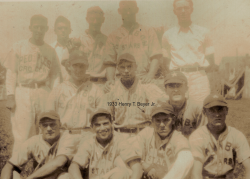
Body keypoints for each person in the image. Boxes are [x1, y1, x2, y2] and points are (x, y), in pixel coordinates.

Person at [3, 14, 61, 179]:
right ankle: (15, 173)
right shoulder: (19, 46)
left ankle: (43, 171)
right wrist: (10, 95)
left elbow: (56, 75)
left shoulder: (50, 50)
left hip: (43, 91)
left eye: (42, 27)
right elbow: (11, 72)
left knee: (46, 130)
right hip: (24, 91)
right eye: (36, 27)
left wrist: (54, 95)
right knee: (23, 134)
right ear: (30, 28)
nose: (39, 30)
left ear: (46, 29)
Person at [162, 0, 216, 104]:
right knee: (178, 109)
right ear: (174, 11)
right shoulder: (168, 35)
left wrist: (200, 74)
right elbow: (165, 61)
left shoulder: (204, 32)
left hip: (199, 77)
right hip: (177, 77)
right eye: (179, 8)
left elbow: (211, 62)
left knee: (201, 109)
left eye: (186, 8)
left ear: (191, 10)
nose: (183, 11)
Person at [103, 0, 162, 92]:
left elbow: (156, 56)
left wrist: (150, 75)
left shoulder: (148, 31)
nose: (128, 12)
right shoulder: (113, 35)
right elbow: (110, 62)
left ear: (136, 10)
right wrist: (110, 80)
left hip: (143, 78)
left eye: (131, 9)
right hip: (122, 80)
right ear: (119, 11)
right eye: (125, 9)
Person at [106, 53, 169, 139]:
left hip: (143, 134)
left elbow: (167, 100)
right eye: (122, 67)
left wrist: (153, 103)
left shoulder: (145, 85)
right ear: (117, 69)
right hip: (120, 134)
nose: (126, 71)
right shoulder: (112, 89)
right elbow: (106, 115)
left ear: (136, 67)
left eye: (129, 66)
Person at [68, 108, 143, 179]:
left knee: (123, 171)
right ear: (92, 127)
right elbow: (73, 166)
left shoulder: (119, 140)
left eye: (105, 123)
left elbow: (137, 166)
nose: (102, 128)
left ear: (112, 124)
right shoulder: (89, 142)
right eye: (98, 125)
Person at [189, 93, 250, 179]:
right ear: (204, 112)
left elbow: (249, 168)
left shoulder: (236, 135)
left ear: (226, 111)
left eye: (220, 109)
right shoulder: (197, 136)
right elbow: (196, 173)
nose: (217, 114)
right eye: (211, 110)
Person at [129, 104, 194, 179]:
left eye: (166, 120)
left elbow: (186, 158)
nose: (162, 125)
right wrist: (147, 167)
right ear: (152, 121)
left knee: (187, 157)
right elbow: (131, 154)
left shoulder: (178, 138)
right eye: (158, 121)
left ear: (173, 120)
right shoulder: (147, 133)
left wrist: (164, 172)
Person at [47, 49, 105, 132]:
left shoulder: (96, 91)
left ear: (87, 66)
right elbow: (49, 118)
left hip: (88, 136)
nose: (79, 69)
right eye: (75, 65)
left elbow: (103, 120)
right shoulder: (57, 90)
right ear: (69, 66)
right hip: (64, 135)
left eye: (82, 66)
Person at [1, 110, 66, 179]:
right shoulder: (34, 141)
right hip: (40, 177)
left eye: (52, 125)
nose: (49, 129)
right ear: (40, 127)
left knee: (64, 176)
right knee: (14, 173)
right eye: (45, 125)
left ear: (60, 124)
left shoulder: (67, 139)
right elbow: (9, 165)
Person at [164, 71, 207, 137]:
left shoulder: (197, 108)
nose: (175, 90)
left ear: (186, 88)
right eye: (171, 87)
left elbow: (204, 135)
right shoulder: (161, 108)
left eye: (179, 86)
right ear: (166, 90)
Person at [79, 6, 107, 86]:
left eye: (98, 19)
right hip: (84, 83)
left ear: (103, 20)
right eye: (92, 19)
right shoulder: (79, 40)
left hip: (102, 83)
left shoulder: (108, 41)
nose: (95, 22)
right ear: (87, 19)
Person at [50, 16, 72, 81]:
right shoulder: (50, 49)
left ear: (70, 30)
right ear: (55, 31)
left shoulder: (76, 48)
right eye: (60, 28)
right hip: (55, 86)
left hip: (72, 86)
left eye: (65, 28)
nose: (63, 31)